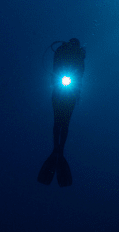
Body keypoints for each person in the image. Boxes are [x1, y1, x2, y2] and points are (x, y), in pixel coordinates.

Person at [37, 38, 86, 187]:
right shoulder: (61, 51)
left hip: (70, 92)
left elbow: (81, 73)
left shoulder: (79, 56)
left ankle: (60, 150)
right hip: (59, 89)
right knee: (57, 121)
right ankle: (56, 149)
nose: (72, 47)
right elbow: (55, 65)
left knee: (64, 122)